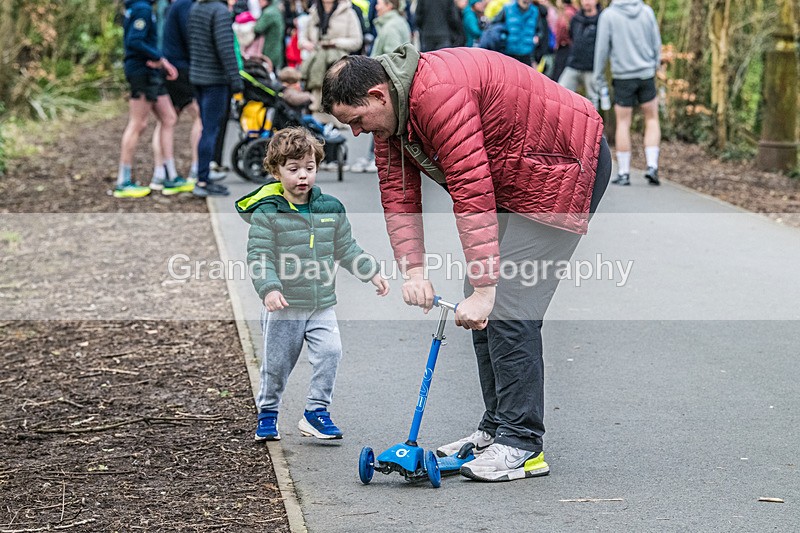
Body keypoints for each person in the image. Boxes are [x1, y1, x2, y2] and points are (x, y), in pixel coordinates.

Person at [322, 45, 611, 482]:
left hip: (564, 163)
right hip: (518, 170)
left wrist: (487, 288)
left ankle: (522, 444)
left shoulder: (438, 94)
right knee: (479, 298)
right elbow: (399, 195)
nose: (357, 132)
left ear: (379, 95)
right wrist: (414, 271)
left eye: (357, 120)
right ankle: (497, 428)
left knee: (509, 301)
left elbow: (471, 190)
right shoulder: (393, 116)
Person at [235, 127, 390, 441]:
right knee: (277, 366)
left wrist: (370, 270)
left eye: (309, 168)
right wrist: (270, 288)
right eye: (293, 169)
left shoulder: (329, 208)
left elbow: (346, 247)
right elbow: (259, 255)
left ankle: (316, 412)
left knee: (331, 353)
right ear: (276, 171)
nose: (303, 176)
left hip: (321, 303)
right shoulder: (268, 212)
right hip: (284, 306)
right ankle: (268, 412)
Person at [115, 0, 193, 198]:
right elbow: (134, 41)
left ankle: (170, 176)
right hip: (141, 73)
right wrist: (158, 57)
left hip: (152, 74)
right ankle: (123, 181)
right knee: (138, 124)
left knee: (169, 118)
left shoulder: (144, 8)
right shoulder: (141, 8)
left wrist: (161, 62)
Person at [154, 0, 228, 185]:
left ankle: (161, 172)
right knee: (200, 117)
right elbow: (193, 39)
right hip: (180, 69)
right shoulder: (186, 5)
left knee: (167, 120)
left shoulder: (177, 6)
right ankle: (197, 168)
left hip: (172, 66)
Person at [593, 0, 662, 186]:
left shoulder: (608, 15)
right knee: (652, 118)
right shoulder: (646, 11)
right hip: (646, 74)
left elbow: (602, 49)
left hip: (623, 77)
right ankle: (652, 166)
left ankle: (624, 172)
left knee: (623, 123)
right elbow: (656, 42)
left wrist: (598, 76)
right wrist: (655, 66)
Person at [188, 0, 245, 197]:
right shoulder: (219, 11)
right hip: (215, 80)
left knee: (206, 128)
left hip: (198, 77)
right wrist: (236, 80)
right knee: (210, 130)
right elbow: (225, 49)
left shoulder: (197, 7)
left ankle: (203, 175)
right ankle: (203, 180)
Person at [350, 0, 411, 173]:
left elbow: (393, 58)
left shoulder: (391, 27)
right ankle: (373, 157)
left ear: (390, 5)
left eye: (380, 3)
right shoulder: (396, 23)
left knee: (378, 120)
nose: (376, 7)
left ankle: (375, 158)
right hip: (389, 82)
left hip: (386, 83)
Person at [558, 0, 602, 108]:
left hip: (591, 68)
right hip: (574, 64)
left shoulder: (602, 19)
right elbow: (572, 36)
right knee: (560, 92)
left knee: (593, 100)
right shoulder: (576, 18)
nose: (587, 2)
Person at [491, 0, 540, 66]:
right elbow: (494, 25)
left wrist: (537, 37)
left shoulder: (535, 11)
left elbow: (540, 30)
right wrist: (502, 37)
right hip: (508, 52)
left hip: (526, 54)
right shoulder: (507, 8)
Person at [254, 0, 286, 69]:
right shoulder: (275, 10)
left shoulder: (269, 13)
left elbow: (257, 28)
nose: (259, 1)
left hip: (269, 50)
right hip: (276, 49)